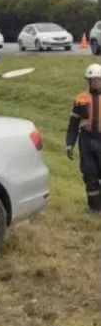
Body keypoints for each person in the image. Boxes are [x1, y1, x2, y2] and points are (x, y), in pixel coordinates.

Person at [66, 63, 101, 214]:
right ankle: (95, 207)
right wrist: (69, 144)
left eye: (98, 79)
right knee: (90, 174)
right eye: (92, 80)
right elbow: (73, 124)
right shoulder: (80, 99)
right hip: (86, 140)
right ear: (88, 81)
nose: (95, 82)